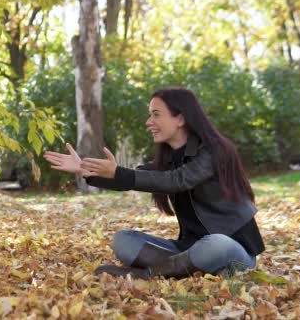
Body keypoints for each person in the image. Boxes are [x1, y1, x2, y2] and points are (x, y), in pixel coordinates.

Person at [43, 87, 264, 280]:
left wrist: (119, 172)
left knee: (215, 244)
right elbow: (133, 178)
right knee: (123, 241)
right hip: (190, 248)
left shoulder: (214, 151)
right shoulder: (167, 158)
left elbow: (177, 180)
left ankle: (150, 274)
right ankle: (183, 268)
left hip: (232, 250)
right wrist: (85, 169)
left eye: (156, 114)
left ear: (180, 118)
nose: (149, 122)